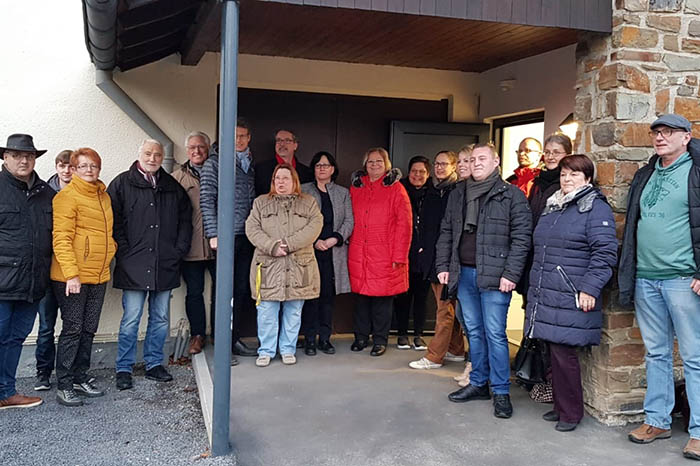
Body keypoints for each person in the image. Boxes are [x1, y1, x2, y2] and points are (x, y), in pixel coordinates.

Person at [619, 114, 700, 460]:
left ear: (686, 137)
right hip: (646, 277)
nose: (660, 137)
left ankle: (699, 431)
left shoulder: (696, 172)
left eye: (668, 132)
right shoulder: (646, 173)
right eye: (656, 132)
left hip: (683, 279)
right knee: (656, 353)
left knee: (695, 357)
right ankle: (657, 420)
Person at [435, 142, 531, 419]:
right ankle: (478, 383)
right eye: (473, 158)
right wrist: (444, 266)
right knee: (473, 332)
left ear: (496, 161)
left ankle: (500, 391)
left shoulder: (511, 195)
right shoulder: (458, 194)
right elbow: (446, 232)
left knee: (495, 334)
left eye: (482, 158)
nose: (476, 162)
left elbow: (522, 239)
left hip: (496, 277)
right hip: (463, 273)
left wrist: (511, 274)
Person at [525, 154, 617, 431]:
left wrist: (590, 288)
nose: (567, 179)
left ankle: (571, 413)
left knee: (564, 353)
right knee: (553, 350)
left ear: (587, 179)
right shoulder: (555, 206)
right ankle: (561, 405)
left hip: (571, 291)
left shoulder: (594, 208)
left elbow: (605, 253)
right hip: (549, 290)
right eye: (564, 174)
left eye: (574, 175)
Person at [108, 139, 192, 390]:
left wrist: (178, 250)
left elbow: (185, 221)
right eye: (148, 153)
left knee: (160, 318)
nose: (153, 158)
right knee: (131, 318)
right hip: (133, 264)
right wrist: (124, 250)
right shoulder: (122, 183)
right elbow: (113, 221)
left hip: (165, 263)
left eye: (157, 154)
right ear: (139, 154)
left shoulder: (171, 187)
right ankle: (124, 367)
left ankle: (154, 364)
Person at [51, 148, 117, 406]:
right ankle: (64, 384)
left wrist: (111, 250)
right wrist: (72, 275)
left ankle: (80, 376)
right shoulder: (66, 197)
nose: (89, 170)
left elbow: (107, 234)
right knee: (73, 329)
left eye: (94, 166)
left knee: (89, 329)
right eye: (83, 166)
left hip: (98, 275)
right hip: (72, 277)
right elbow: (62, 239)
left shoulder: (103, 197)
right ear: (74, 170)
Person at [246, 164, 322, 367]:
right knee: (266, 311)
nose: (281, 182)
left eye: (285, 178)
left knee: (294, 311)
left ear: (294, 181)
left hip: (298, 266)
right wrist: (272, 246)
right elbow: (251, 229)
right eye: (277, 178)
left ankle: (288, 349)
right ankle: (266, 350)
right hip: (269, 266)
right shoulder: (261, 203)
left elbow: (315, 226)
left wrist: (289, 245)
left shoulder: (309, 203)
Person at [0, 133, 54, 410]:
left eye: (29, 156)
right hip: (2, 283)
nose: (24, 160)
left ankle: (6, 393)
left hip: (33, 283)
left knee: (15, 338)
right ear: (5, 158)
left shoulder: (46, 193)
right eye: (17, 155)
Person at [200, 119, 257, 359]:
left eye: (243, 136)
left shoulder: (249, 164)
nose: (239, 140)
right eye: (235, 136)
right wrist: (213, 234)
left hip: (247, 235)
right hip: (225, 236)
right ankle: (221, 345)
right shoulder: (215, 163)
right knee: (224, 291)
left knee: (242, 289)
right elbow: (206, 198)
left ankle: (234, 340)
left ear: (249, 138)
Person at [348, 148, 412, 357]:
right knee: (361, 299)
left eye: (378, 161)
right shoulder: (356, 187)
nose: (374, 165)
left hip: (385, 253)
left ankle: (380, 340)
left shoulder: (396, 189)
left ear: (386, 164)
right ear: (364, 165)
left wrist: (399, 256)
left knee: (382, 301)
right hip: (359, 251)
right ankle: (360, 337)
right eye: (370, 162)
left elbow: (405, 225)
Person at [407, 150, 465, 369]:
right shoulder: (433, 191)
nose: (439, 168)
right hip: (431, 257)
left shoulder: (457, 192)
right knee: (448, 307)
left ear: (453, 166)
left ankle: (434, 357)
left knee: (444, 309)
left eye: (444, 164)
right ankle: (457, 349)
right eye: (437, 164)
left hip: (449, 259)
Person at [300, 152, 353, 355]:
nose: (322, 168)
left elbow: (349, 220)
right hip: (310, 251)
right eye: (318, 165)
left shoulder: (342, 193)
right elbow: (298, 220)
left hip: (333, 252)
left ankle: (325, 338)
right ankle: (310, 339)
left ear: (333, 169)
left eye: (326, 165)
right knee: (310, 296)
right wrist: (313, 241)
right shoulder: (304, 190)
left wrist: (334, 239)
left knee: (328, 297)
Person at [172, 131, 217, 357]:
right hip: (190, 246)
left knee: (222, 291)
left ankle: (221, 335)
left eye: (201, 147)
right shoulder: (177, 177)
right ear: (186, 150)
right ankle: (197, 335)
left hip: (218, 245)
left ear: (208, 148)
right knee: (194, 292)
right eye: (192, 148)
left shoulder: (218, 171)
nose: (197, 151)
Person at [34, 149, 73, 391]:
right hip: (47, 270)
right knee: (46, 324)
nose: (67, 170)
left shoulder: (82, 193)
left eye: (71, 166)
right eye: (62, 165)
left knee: (72, 325)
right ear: (56, 167)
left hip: (71, 272)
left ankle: (68, 373)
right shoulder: (44, 193)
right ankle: (43, 372)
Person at [396, 155, 432, 351]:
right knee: (402, 295)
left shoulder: (433, 193)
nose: (417, 175)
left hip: (424, 253)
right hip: (404, 250)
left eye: (422, 172)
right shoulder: (399, 190)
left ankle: (418, 334)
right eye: (414, 171)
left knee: (421, 296)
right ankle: (401, 334)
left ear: (428, 174)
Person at [254, 129, 313, 195]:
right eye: (279, 140)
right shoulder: (261, 169)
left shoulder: (306, 172)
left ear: (295, 145)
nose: (282, 144)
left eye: (287, 140)